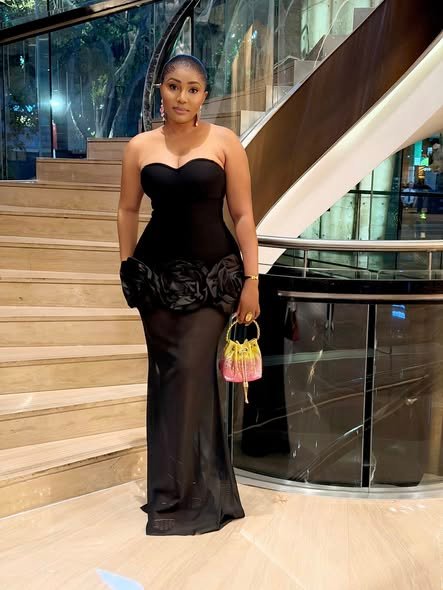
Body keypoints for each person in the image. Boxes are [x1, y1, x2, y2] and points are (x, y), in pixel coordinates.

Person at [117, 54, 260, 536]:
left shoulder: (225, 142)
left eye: (193, 89)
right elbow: (127, 209)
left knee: (193, 373)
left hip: (213, 279)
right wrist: (127, 265)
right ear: (161, 89)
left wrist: (252, 278)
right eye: (174, 86)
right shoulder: (139, 147)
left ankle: (196, 494)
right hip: (156, 280)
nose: (182, 97)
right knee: (166, 379)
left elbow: (243, 215)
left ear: (204, 95)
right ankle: (170, 491)